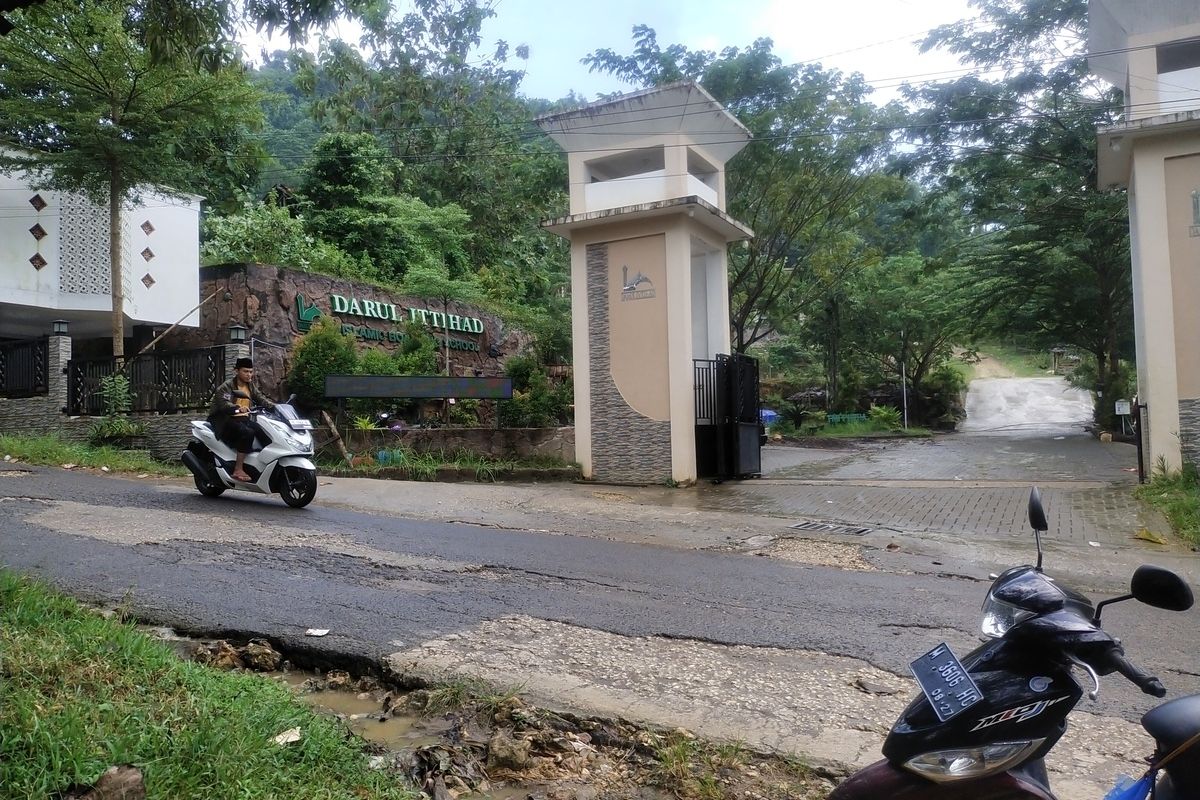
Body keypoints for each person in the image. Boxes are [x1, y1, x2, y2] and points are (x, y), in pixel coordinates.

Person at [208, 357, 274, 482]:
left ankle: (263, 465)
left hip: (242, 419)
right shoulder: (227, 387)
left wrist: (276, 407)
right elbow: (224, 404)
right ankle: (238, 469)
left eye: (250, 371)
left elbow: (261, 398)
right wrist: (237, 407)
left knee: (264, 431)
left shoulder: (250, 386)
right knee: (247, 432)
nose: (249, 374)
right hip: (224, 420)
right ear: (236, 371)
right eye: (245, 371)